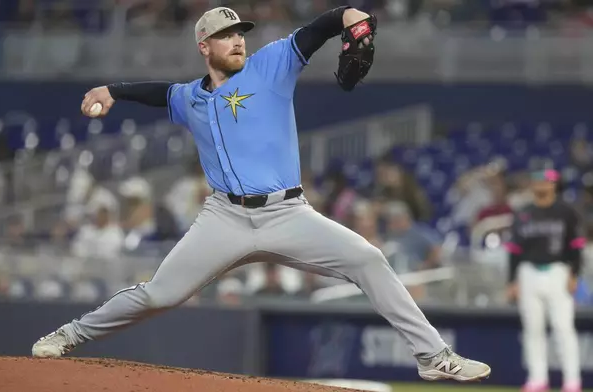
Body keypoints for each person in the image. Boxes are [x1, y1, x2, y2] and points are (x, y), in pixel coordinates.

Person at [31, 5, 491, 382]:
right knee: (159, 295)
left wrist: (350, 16)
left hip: (287, 213)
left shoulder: (271, 65)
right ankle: (69, 335)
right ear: (204, 46)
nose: (238, 40)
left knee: (368, 259)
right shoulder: (190, 97)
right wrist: (112, 90)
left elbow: (316, 30)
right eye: (226, 34)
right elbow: (157, 93)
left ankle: (432, 356)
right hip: (223, 219)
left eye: (240, 33)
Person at [505, 169, 584, 392]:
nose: (541, 185)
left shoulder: (566, 212)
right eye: (538, 181)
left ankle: (572, 381)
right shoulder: (523, 213)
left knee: (563, 328)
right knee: (533, 329)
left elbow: (576, 246)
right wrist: (512, 281)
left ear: (554, 185)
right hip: (527, 272)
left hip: (558, 271)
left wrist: (574, 274)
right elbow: (514, 250)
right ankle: (537, 379)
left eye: (546, 181)